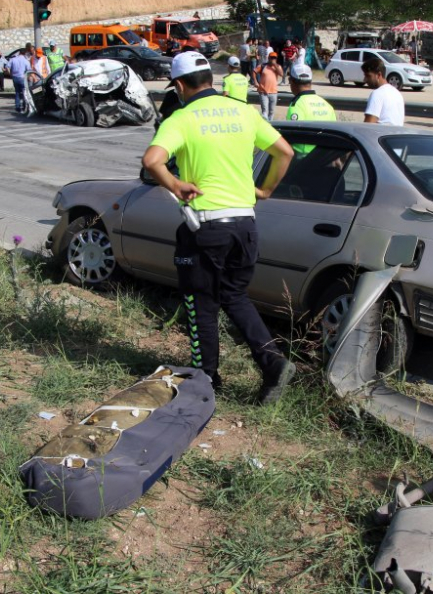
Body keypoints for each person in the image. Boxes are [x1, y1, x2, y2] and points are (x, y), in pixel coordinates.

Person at [141, 52, 296, 403]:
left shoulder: (182, 118)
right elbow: (284, 153)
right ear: (210, 78)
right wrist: (266, 189)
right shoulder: (244, 111)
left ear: (180, 85)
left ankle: (205, 379)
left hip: (207, 228)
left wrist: (175, 184)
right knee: (235, 296)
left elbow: (152, 161)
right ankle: (272, 362)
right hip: (245, 225)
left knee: (201, 302)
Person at [286, 63, 336, 154]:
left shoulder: (297, 105)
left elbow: (291, 136)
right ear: (310, 81)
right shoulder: (327, 105)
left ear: (291, 81)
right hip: (325, 157)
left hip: (303, 159)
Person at [362, 57, 404, 125]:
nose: (365, 80)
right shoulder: (397, 93)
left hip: (380, 135)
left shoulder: (377, 94)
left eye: (368, 76)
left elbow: (368, 125)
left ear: (378, 75)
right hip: (396, 135)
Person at [255, 51, 283, 120]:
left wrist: (275, 65)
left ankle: (270, 124)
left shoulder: (278, 66)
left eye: (274, 58)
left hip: (273, 92)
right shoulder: (263, 66)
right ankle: (265, 123)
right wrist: (256, 82)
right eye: (271, 58)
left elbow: (281, 74)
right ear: (269, 58)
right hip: (263, 91)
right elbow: (254, 71)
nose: (273, 59)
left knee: (272, 111)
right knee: (265, 111)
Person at [6, 47, 32, 112]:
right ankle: (24, 106)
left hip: (15, 77)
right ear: (24, 53)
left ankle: (17, 106)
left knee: (17, 92)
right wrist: (29, 78)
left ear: (19, 52)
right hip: (22, 77)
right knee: (24, 92)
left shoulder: (13, 59)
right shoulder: (26, 61)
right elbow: (29, 70)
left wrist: (10, 74)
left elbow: (7, 67)